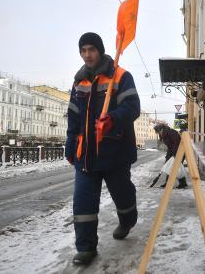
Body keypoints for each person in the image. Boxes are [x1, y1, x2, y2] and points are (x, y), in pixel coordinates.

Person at [65, 32, 140, 265]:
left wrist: (113, 118)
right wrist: (70, 147)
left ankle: (127, 220)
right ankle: (86, 247)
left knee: (123, 195)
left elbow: (133, 106)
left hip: (115, 153)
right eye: (83, 50)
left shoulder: (121, 75)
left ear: (100, 50)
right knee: (83, 201)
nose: (87, 55)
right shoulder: (79, 82)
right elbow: (73, 119)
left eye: (91, 49)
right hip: (86, 155)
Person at [153, 123, 188, 189]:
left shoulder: (171, 132)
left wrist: (174, 154)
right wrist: (168, 156)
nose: (158, 134)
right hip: (172, 152)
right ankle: (169, 183)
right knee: (169, 167)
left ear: (161, 129)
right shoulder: (164, 135)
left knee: (176, 167)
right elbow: (170, 146)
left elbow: (177, 142)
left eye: (158, 132)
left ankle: (181, 183)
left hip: (179, 152)